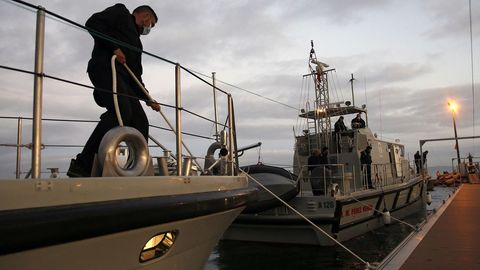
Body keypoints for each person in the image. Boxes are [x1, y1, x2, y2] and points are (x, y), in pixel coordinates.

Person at [67, 4, 160, 177]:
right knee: (121, 112)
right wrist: (115, 48)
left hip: (124, 80)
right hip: (105, 68)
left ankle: (137, 168)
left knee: (140, 122)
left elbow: (135, 75)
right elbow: (93, 23)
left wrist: (148, 98)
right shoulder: (121, 12)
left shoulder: (137, 44)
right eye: (151, 25)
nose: (149, 28)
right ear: (146, 17)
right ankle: (82, 164)